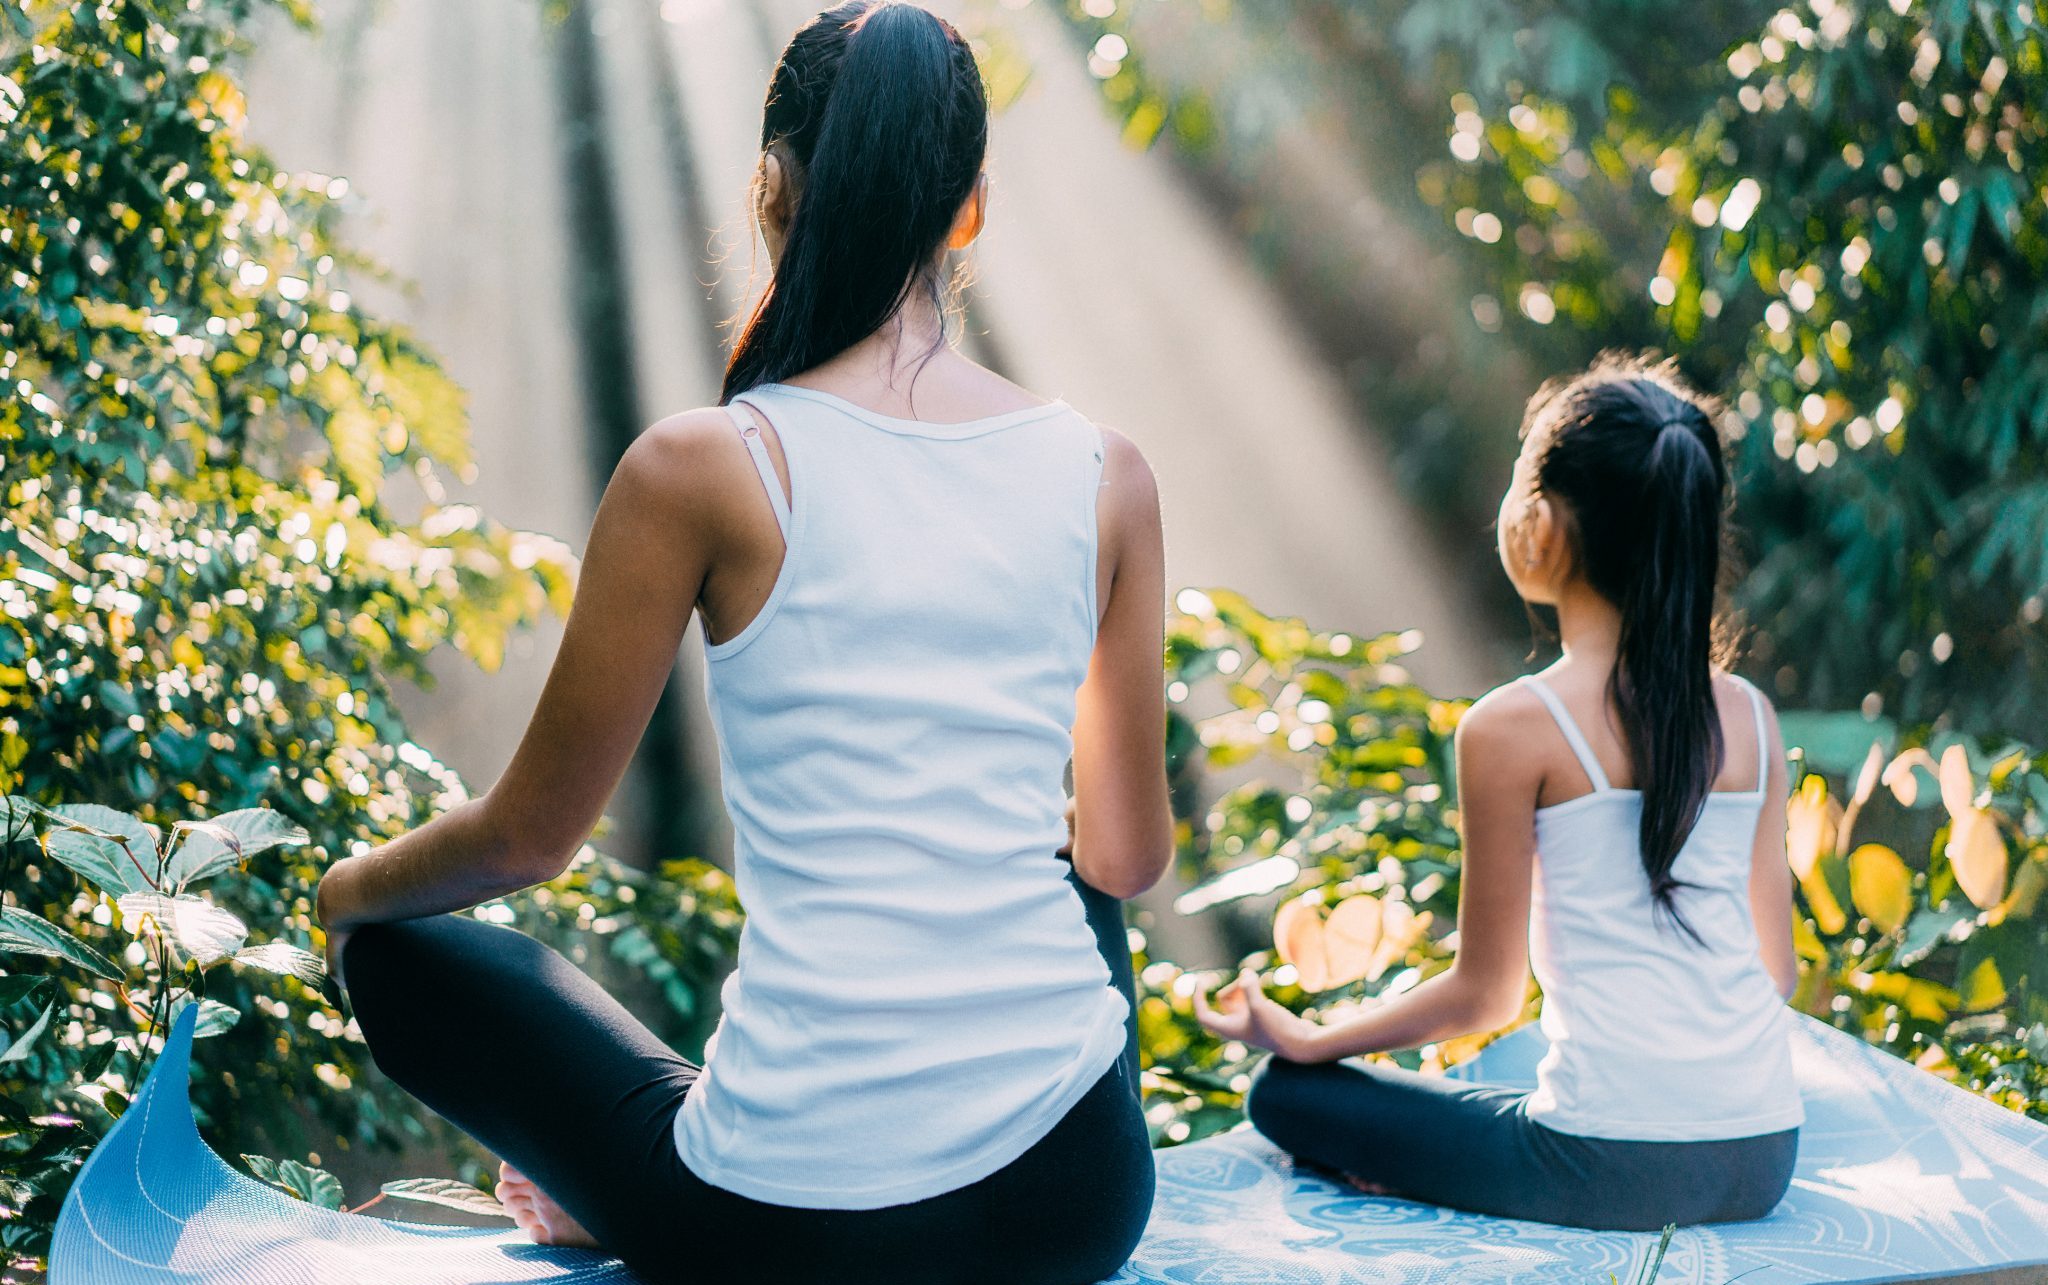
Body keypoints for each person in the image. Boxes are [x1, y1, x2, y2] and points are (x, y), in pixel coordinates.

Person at [314, 4, 1169, 1281]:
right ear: (970, 208)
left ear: (771, 187)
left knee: (392, 947)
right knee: (1067, 868)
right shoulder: (1107, 472)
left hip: (788, 1230)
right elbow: (1126, 857)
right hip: (1079, 1200)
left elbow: (529, 838)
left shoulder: (704, 467)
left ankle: (635, 1178)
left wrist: (340, 895)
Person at [1195, 354, 1803, 1232]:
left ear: (1545, 530)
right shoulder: (1749, 715)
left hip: (1601, 1169)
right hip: (1762, 1157)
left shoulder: (1512, 726)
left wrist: (1305, 1037)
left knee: (1286, 1094)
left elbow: (1487, 995)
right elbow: (1773, 972)